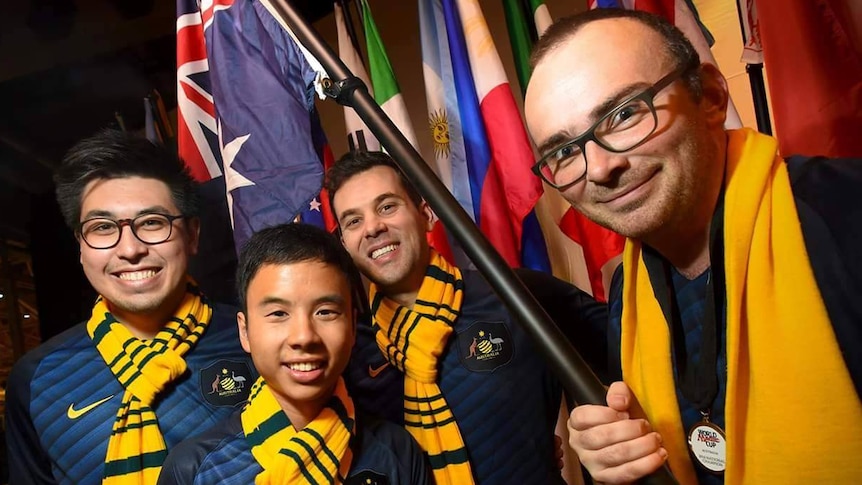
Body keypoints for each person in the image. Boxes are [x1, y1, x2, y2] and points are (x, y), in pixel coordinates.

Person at [524, 8, 862, 485]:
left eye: (623, 114)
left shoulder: (845, 219)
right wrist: (619, 459)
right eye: (562, 152)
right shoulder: (628, 292)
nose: (598, 168)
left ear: (711, 97)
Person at [325, 150, 608, 484]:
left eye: (387, 206)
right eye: (353, 220)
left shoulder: (516, 293)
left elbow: (637, 352)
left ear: (426, 214)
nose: (372, 227)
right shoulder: (349, 350)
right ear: (344, 243)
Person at [5, 130, 257, 484]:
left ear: (193, 235)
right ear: (80, 245)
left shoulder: (256, 338)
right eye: (103, 227)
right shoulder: (37, 379)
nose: (130, 249)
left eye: (153, 223)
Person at [157, 223, 430, 484]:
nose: (304, 337)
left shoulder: (398, 451)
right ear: (245, 331)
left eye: (325, 312)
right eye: (278, 313)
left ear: (352, 326)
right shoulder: (193, 469)